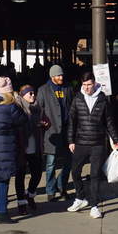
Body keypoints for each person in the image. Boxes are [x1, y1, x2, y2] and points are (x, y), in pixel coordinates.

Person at [67, 72, 118, 219]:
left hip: (97, 143)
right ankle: (80, 198)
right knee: (75, 172)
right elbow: (72, 121)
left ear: (95, 83)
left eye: (89, 85)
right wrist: (70, 140)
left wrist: (116, 140)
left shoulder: (103, 99)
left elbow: (109, 122)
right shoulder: (77, 98)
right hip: (80, 142)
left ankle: (94, 206)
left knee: (95, 175)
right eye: (84, 85)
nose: (86, 88)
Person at [0, 84, 29, 224]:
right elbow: (24, 119)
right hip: (5, 148)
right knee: (3, 181)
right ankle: (1, 213)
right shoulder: (11, 107)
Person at [38, 64, 73, 201]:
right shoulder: (43, 90)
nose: (61, 77)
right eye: (58, 75)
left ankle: (62, 186)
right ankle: (50, 190)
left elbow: (72, 106)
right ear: (52, 76)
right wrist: (41, 121)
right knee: (50, 163)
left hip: (67, 130)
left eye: (62, 75)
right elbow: (39, 108)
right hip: (51, 131)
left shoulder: (68, 88)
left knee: (69, 161)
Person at [14, 84, 47, 214]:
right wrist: (34, 123)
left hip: (35, 146)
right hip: (22, 147)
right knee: (20, 175)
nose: (33, 95)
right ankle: (21, 202)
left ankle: (31, 193)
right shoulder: (17, 108)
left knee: (37, 173)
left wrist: (45, 124)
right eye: (30, 94)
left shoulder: (38, 107)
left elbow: (45, 119)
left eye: (33, 93)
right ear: (23, 96)